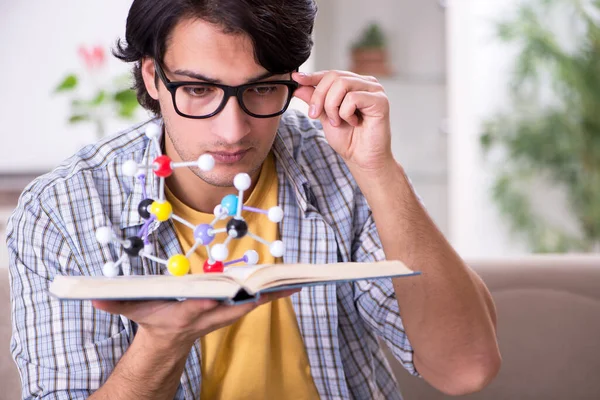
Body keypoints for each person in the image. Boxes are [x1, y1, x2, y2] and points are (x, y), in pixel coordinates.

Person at [7, 0, 501, 399]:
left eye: (263, 89)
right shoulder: (61, 211)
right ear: (154, 78)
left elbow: (465, 370)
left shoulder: (339, 162)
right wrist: (164, 340)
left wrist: (379, 169)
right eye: (199, 89)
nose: (234, 130)